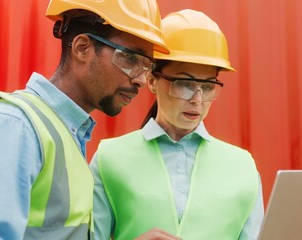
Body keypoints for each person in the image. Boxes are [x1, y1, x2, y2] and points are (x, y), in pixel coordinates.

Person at [0, 0, 170, 239]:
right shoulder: (12, 126)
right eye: (130, 60)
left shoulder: (64, 134)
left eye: (146, 66)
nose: (140, 79)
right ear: (82, 48)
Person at [90, 9, 264, 240]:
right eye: (184, 83)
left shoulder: (242, 166)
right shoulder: (109, 159)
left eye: (209, 86)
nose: (197, 100)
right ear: (152, 81)